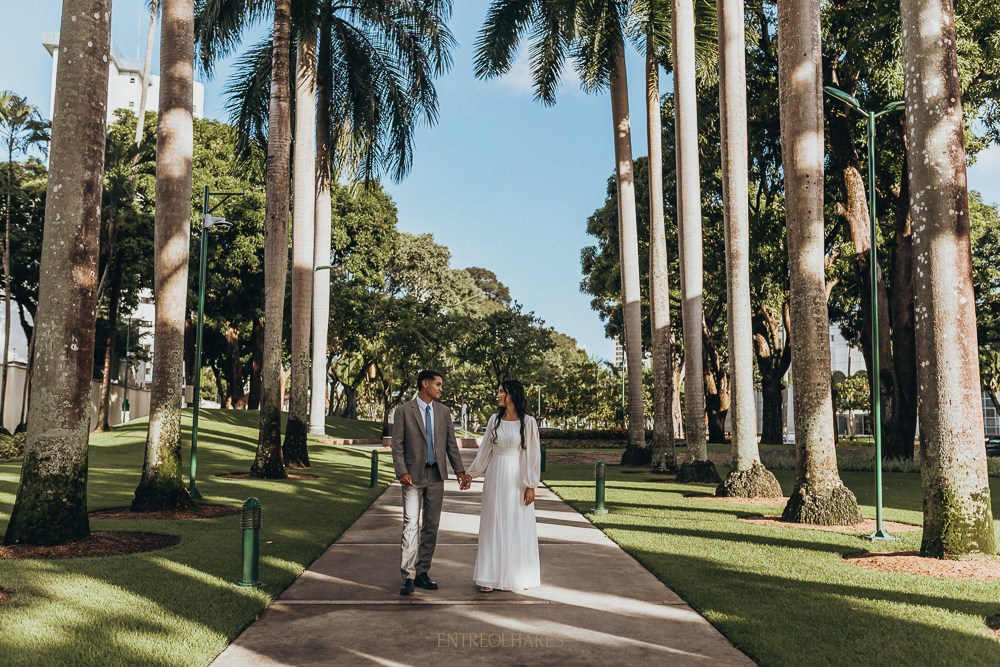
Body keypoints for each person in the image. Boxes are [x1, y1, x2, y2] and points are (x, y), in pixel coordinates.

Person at [391, 369, 472, 596]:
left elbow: (451, 445)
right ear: (424, 384)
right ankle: (407, 576)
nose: (441, 388)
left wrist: (459, 471)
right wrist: (401, 472)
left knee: (431, 527)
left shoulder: (444, 412)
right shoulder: (404, 411)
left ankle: (422, 571)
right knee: (410, 525)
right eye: (438, 384)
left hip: (436, 477)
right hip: (412, 478)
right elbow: (397, 446)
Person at [466, 379, 541, 592]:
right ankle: (489, 577)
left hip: (516, 478)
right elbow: (485, 450)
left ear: (511, 394)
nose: (497, 395)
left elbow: (532, 455)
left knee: (516, 523)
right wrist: (472, 473)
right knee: (493, 523)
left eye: (501, 392)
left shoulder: (528, 422)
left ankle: (518, 575)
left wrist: (530, 484)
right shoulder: (494, 420)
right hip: (495, 475)